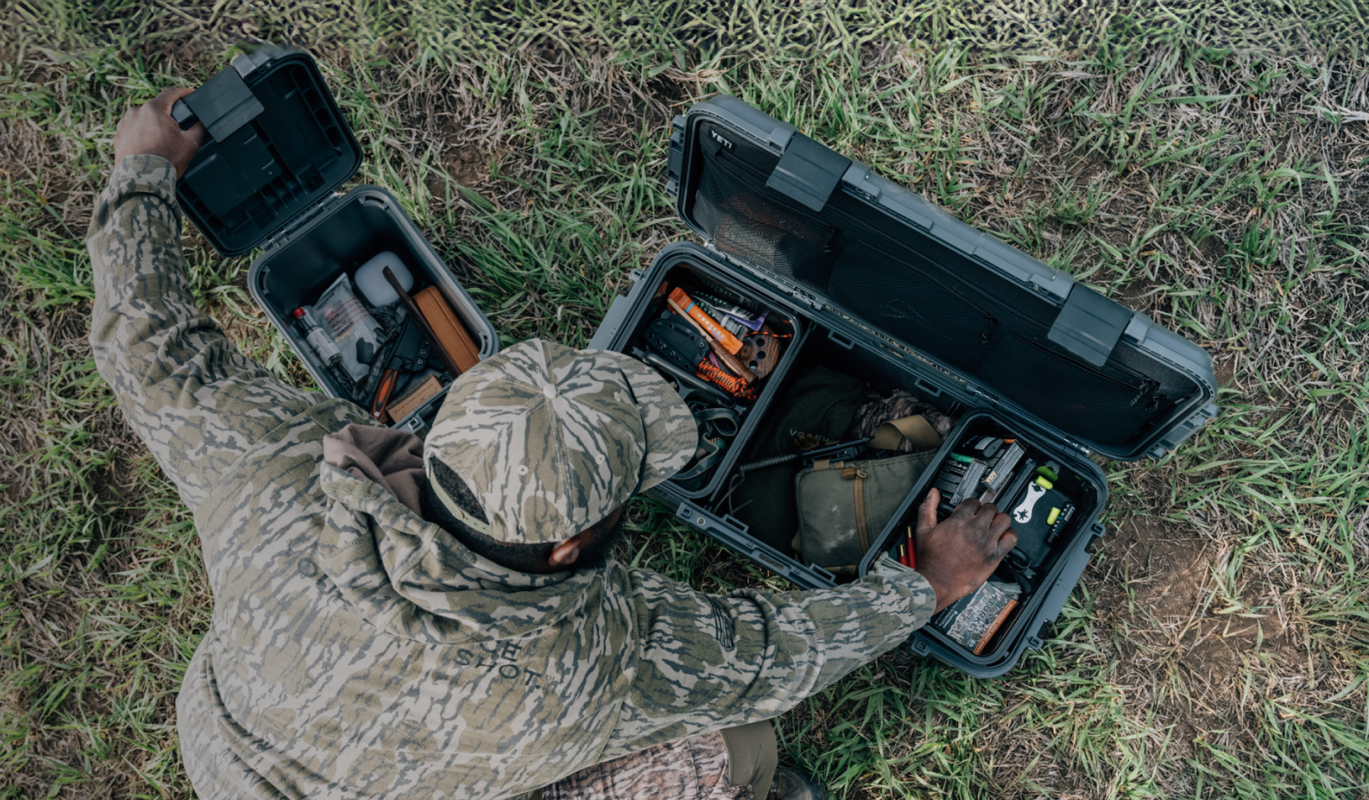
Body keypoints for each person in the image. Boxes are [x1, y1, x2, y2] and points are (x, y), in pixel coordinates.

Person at [91, 88, 1017, 800]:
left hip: (225, 752)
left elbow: (148, 352)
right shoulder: (584, 667)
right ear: (571, 547)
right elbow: (776, 657)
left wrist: (141, 169)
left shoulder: (280, 476)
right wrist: (930, 586)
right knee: (743, 749)